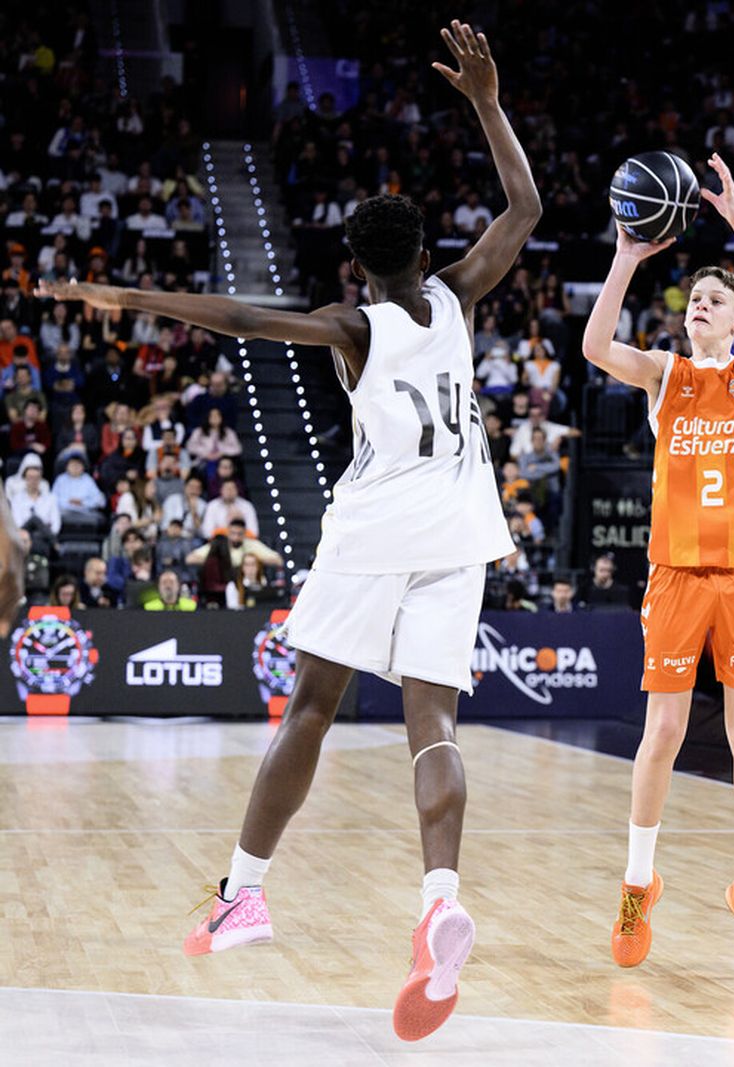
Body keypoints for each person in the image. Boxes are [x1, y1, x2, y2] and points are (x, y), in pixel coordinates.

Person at [35, 20, 540, 1042]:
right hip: (460, 528)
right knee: (431, 724)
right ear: (426, 255)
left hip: (377, 526)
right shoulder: (457, 297)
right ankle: (439, 897)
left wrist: (127, 293)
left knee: (311, 705)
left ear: (354, 266)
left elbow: (245, 321)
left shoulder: (356, 324)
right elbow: (525, 206)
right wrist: (486, 101)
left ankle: (245, 894)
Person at [581, 151, 734, 973]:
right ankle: (638, 885)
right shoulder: (665, 377)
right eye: (694, 300)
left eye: (714, 302)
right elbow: (597, 343)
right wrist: (627, 258)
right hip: (674, 576)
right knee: (662, 730)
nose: (699, 307)